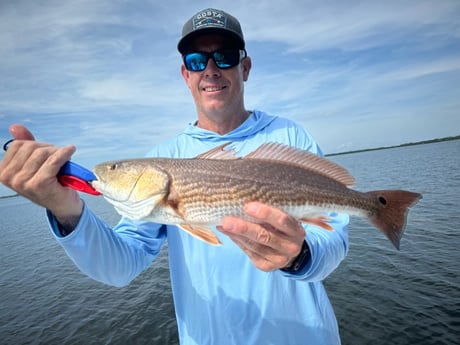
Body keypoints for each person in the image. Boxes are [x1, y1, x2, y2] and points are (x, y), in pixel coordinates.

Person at [0, 8, 349, 345]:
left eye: (224, 56)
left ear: (245, 67)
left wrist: (300, 256)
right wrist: (66, 210)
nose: (210, 69)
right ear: (186, 75)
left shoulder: (291, 137)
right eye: (197, 61)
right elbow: (119, 265)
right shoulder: (163, 156)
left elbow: (333, 237)